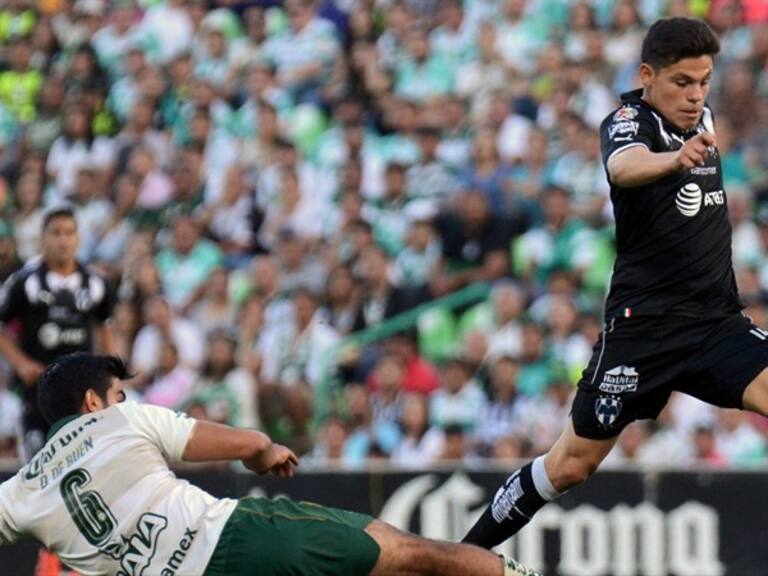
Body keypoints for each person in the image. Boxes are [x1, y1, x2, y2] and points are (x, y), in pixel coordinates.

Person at [463, 17, 768, 550]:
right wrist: (675, 158)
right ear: (647, 75)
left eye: (704, 82)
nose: (696, 95)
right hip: (642, 333)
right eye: (682, 83)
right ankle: (461, 554)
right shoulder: (628, 122)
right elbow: (625, 167)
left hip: (717, 326)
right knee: (569, 466)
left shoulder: (704, 117)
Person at [0, 353, 540, 576]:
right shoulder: (122, 420)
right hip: (234, 542)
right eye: (116, 391)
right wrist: (267, 452)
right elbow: (245, 442)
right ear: (93, 402)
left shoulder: (22, 491)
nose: (121, 399)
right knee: (408, 552)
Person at [0, 206, 115, 460]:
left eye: (69, 233)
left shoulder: (96, 283)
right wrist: (21, 363)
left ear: (78, 239)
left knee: (84, 463)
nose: (63, 240)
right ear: (43, 239)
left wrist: (110, 371)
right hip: (37, 390)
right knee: (40, 466)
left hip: (82, 392)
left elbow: (104, 325)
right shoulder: (24, 282)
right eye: (56, 233)